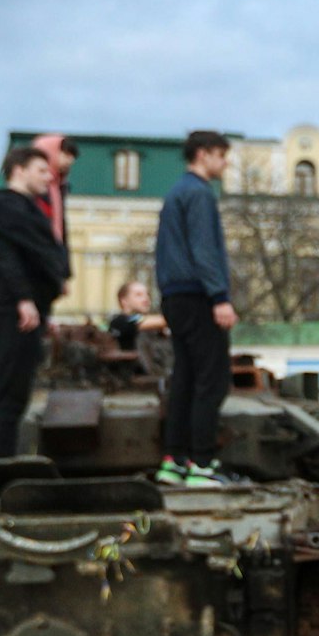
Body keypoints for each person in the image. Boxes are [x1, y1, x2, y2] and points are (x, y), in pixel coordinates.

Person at [0, 146, 70, 456]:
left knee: (8, 389)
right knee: (6, 389)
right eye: (41, 170)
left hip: (12, 306)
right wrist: (23, 299)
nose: (49, 177)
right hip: (7, 307)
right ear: (19, 170)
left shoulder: (18, 209)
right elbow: (3, 256)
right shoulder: (4, 208)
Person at [153, 131, 237, 487]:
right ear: (203, 155)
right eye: (221, 155)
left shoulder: (175, 193)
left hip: (174, 296)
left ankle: (175, 461)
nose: (225, 162)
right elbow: (204, 249)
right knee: (212, 380)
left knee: (185, 380)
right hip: (199, 295)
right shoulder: (199, 194)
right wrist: (219, 296)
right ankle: (203, 463)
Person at [30, 134, 77, 254]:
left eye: (72, 157)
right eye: (66, 154)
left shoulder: (59, 186)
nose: (70, 161)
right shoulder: (34, 189)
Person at [108, 280, 168, 353]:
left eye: (148, 294)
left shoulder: (150, 322)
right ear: (124, 300)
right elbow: (160, 321)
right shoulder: (120, 321)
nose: (146, 299)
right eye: (138, 295)